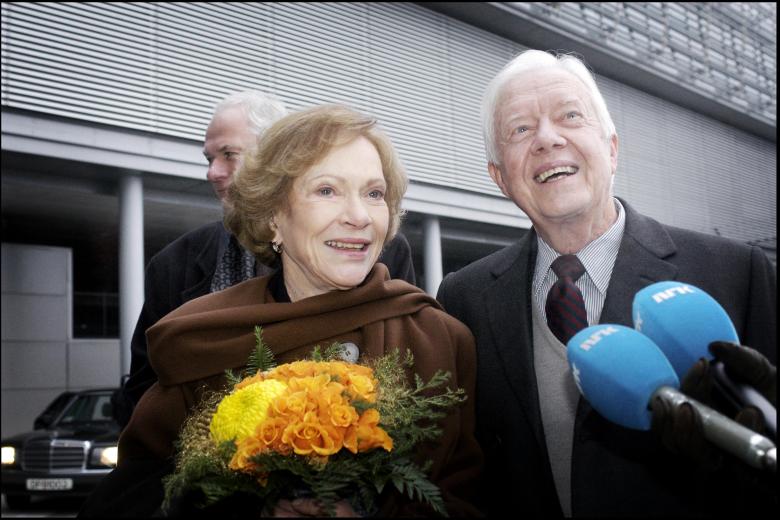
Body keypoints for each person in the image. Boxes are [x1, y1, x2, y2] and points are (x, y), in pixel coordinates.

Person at [82, 105, 482, 517]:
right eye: (327, 190)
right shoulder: (198, 336)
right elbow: (132, 494)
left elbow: (472, 496)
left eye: (374, 194)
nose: (359, 216)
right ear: (273, 215)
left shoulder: (441, 339)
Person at [436, 50, 776, 517]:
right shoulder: (463, 299)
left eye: (569, 116)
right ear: (500, 177)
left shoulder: (739, 274)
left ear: (612, 147)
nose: (547, 139)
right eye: (519, 129)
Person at [114, 91, 417, 428]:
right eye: (209, 158)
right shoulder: (174, 264)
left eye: (229, 154)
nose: (213, 172)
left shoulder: (380, 251)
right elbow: (146, 393)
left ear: (278, 157)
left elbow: (403, 362)